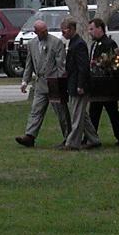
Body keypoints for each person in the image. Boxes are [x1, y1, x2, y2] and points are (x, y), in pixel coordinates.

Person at [15, 19, 68, 147]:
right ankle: (30, 136)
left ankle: (68, 137)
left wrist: (61, 82)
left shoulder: (56, 43)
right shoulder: (32, 44)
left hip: (54, 83)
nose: (45, 33)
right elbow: (29, 64)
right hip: (40, 84)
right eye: (42, 31)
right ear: (36, 32)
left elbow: (61, 66)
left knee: (61, 112)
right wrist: (25, 81)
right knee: (36, 110)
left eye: (46, 30)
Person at [59, 18, 100, 150]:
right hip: (73, 83)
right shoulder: (73, 43)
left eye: (63, 30)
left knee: (76, 115)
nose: (62, 33)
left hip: (79, 85)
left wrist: (80, 85)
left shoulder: (79, 44)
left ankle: (72, 143)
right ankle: (93, 139)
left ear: (70, 29)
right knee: (82, 115)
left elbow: (83, 67)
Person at [87, 18, 119, 145]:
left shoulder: (109, 43)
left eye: (92, 29)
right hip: (96, 83)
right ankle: (91, 137)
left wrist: (100, 64)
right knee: (94, 111)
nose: (90, 32)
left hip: (106, 84)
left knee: (112, 111)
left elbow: (114, 62)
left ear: (100, 29)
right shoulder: (94, 44)